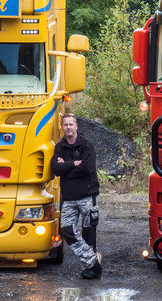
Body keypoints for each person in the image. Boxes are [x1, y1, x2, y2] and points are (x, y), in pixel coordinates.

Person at [51, 113, 102, 279]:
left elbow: (87, 168)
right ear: (62, 127)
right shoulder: (60, 147)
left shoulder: (86, 146)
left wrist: (66, 167)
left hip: (88, 196)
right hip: (69, 197)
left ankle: (89, 269)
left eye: (71, 125)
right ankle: (93, 261)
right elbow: (56, 170)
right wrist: (74, 163)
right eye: (65, 125)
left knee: (89, 233)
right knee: (66, 230)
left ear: (76, 126)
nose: (68, 128)